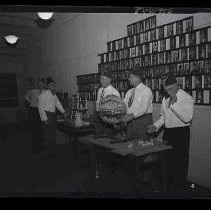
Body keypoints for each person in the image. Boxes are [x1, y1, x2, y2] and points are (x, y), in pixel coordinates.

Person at [147, 74, 194, 192]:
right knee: (165, 161)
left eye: (170, 88)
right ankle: (166, 188)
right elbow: (164, 117)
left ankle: (178, 190)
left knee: (179, 162)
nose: (168, 91)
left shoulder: (186, 98)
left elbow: (187, 118)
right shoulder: (165, 98)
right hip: (168, 133)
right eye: (166, 88)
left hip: (181, 134)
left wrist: (175, 103)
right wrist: (155, 126)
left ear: (177, 85)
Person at [38, 77, 68, 159]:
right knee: (47, 136)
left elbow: (57, 103)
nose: (53, 86)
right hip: (47, 116)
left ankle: (52, 152)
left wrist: (63, 112)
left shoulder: (53, 94)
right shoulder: (43, 95)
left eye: (53, 85)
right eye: (51, 85)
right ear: (47, 86)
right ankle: (46, 154)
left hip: (53, 116)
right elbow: (40, 108)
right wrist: (45, 119)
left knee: (53, 135)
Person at [122, 68, 153, 140]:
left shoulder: (146, 90)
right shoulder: (129, 91)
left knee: (142, 145)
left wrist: (132, 116)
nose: (129, 79)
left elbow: (144, 109)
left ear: (138, 78)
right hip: (130, 122)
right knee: (130, 143)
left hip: (142, 121)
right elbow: (125, 105)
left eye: (131, 77)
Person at [95, 71, 120, 137]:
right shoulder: (100, 90)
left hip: (108, 117)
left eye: (103, 78)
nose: (100, 80)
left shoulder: (114, 92)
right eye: (100, 79)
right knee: (98, 136)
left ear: (109, 80)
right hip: (98, 117)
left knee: (107, 138)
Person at [24, 78, 46, 154]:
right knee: (33, 129)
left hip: (40, 111)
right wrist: (30, 101)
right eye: (39, 84)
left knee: (40, 129)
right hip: (33, 110)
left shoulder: (45, 92)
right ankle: (34, 148)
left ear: (44, 84)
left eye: (41, 84)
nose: (40, 85)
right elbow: (25, 96)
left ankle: (40, 145)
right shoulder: (34, 91)